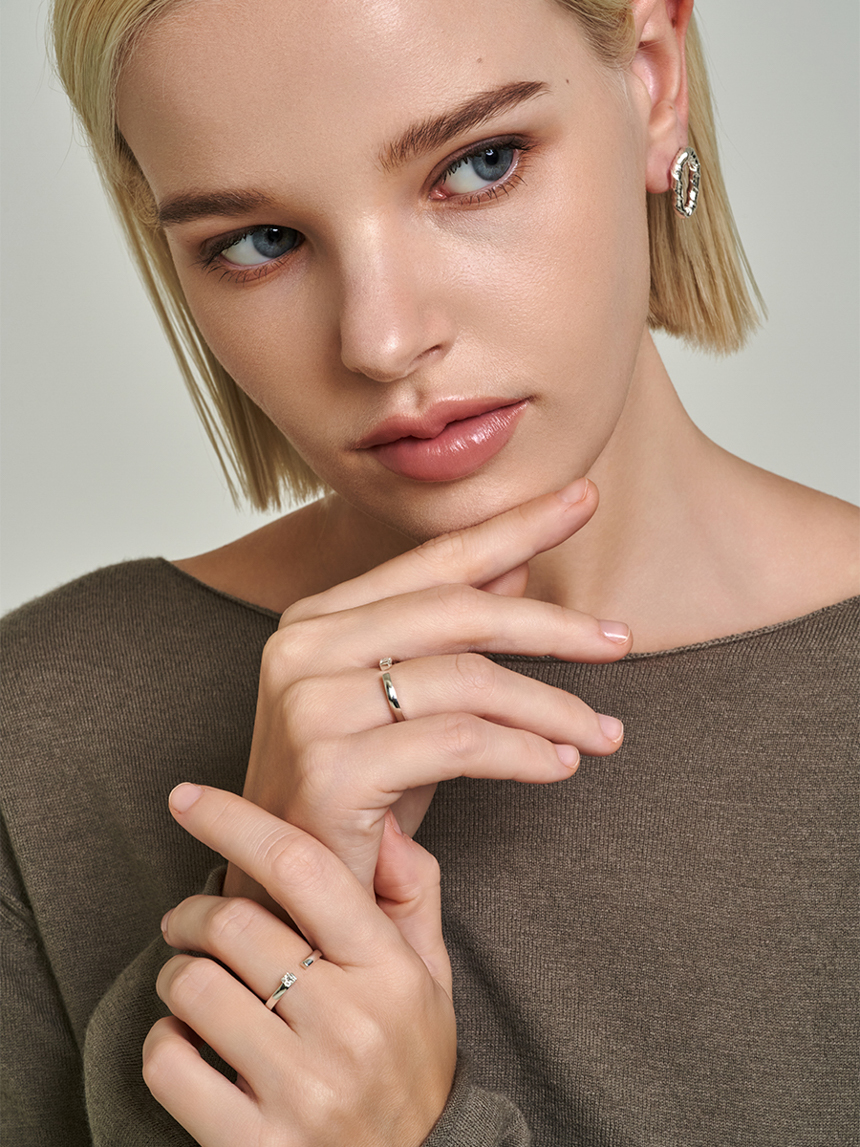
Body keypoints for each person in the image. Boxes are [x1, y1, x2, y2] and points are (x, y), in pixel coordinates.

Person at [2, 0, 857, 1144]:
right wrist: (268, 931)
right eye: (259, 241)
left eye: (477, 164)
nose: (381, 339)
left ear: (652, 80)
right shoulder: (39, 737)